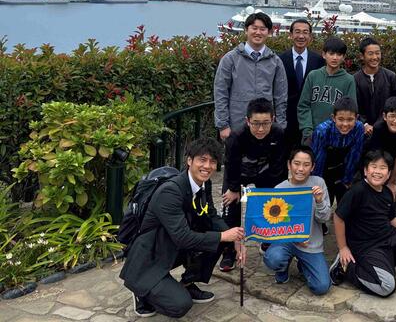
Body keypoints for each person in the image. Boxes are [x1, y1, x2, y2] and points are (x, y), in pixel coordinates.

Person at [120, 138, 244, 319]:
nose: (207, 166)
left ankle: (188, 282)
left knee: (222, 238)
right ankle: (141, 290)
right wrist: (224, 236)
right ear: (189, 160)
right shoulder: (170, 192)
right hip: (151, 255)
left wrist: (235, 238)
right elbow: (183, 238)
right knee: (180, 305)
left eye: (212, 161)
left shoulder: (204, 184)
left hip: (172, 246)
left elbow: (210, 215)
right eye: (202, 160)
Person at [329, 150, 396, 297]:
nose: (377, 172)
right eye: (373, 167)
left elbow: (391, 218)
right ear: (365, 170)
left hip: (388, 237)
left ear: (388, 174)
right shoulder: (357, 191)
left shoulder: (387, 192)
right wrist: (343, 248)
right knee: (386, 287)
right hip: (367, 245)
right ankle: (347, 266)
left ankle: (382, 263)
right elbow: (338, 217)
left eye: (383, 168)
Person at [219, 98, 287, 271]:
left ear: (273, 120)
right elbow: (231, 164)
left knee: (273, 204)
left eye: (265, 123)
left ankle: (267, 239)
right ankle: (229, 251)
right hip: (239, 172)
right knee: (229, 206)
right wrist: (234, 189)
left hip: (265, 172)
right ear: (247, 121)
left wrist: (270, 192)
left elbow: (278, 165)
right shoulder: (236, 137)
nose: (261, 129)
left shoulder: (279, 133)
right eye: (256, 123)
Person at [263, 146, 331, 294]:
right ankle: (282, 268)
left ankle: (304, 265)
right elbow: (274, 225)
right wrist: (294, 238)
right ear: (289, 165)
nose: (301, 169)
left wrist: (319, 201)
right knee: (273, 259)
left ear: (312, 167)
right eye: (296, 163)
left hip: (310, 243)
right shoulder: (279, 189)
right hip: (285, 241)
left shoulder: (318, 183)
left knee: (321, 286)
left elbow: (324, 218)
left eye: (306, 165)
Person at [214, 12, 288, 138]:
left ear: (269, 32)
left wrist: (280, 126)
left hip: (266, 128)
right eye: (254, 28)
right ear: (246, 30)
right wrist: (223, 125)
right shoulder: (230, 59)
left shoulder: (275, 61)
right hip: (236, 126)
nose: (258, 32)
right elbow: (220, 93)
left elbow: (281, 97)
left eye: (262, 29)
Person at [298, 36, 357, 144]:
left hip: (336, 136)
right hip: (311, 135)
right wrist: (307, 131)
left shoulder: (349, 80)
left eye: (339, 54)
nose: (335, 58)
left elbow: (350, 111)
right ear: (324, 55)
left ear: (343, 57)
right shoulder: (313, 76)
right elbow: (303, 105)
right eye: (331, 54)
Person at [310, 96, 365, 205]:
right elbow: (317, 160)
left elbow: (355, 154)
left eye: (350, 120)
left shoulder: (359, 128)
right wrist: (317, 183)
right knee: (325, 201)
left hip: (344, 167)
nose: (345, 124)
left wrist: (347, 179)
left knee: (345, 201)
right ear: (333, 118)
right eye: (341, 119)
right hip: (325, 168)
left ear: (356, 118)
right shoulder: (322, 131)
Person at [279, 19, 325, 148]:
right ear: (291, 35)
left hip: (310, 119)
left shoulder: (319, 60)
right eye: (297, 32)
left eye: (305, 32)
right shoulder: (280, 59)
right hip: (286, 118)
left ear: (310, 36)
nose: (301, 36)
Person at [353, 37, 396, 135]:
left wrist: (381, 123)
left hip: (387, 129)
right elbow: (354, 106)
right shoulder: (355, 79)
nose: (375, 57)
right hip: (362, 131)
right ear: (362, 56)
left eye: (377, 53)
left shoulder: (391, 77)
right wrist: (364, 124)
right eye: (370, 53)